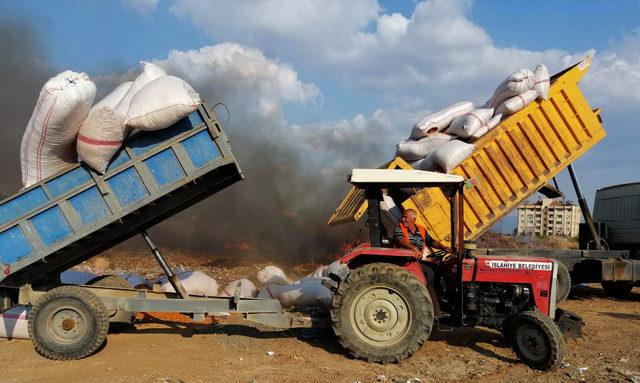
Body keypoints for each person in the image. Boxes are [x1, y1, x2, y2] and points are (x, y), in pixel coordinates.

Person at [393, 209, 451, 288]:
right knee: (429, 272)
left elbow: (431, 241)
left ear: (413, 219)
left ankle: (438, 292)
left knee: (439, 267)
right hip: (404, 261)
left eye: (405, 217)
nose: (403, 219)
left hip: (417, 261)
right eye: (403, 217)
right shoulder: (399, 228)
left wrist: (444, 248)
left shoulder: (421, 230)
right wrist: (414, 248)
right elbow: (401, 241)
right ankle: (429, 294)